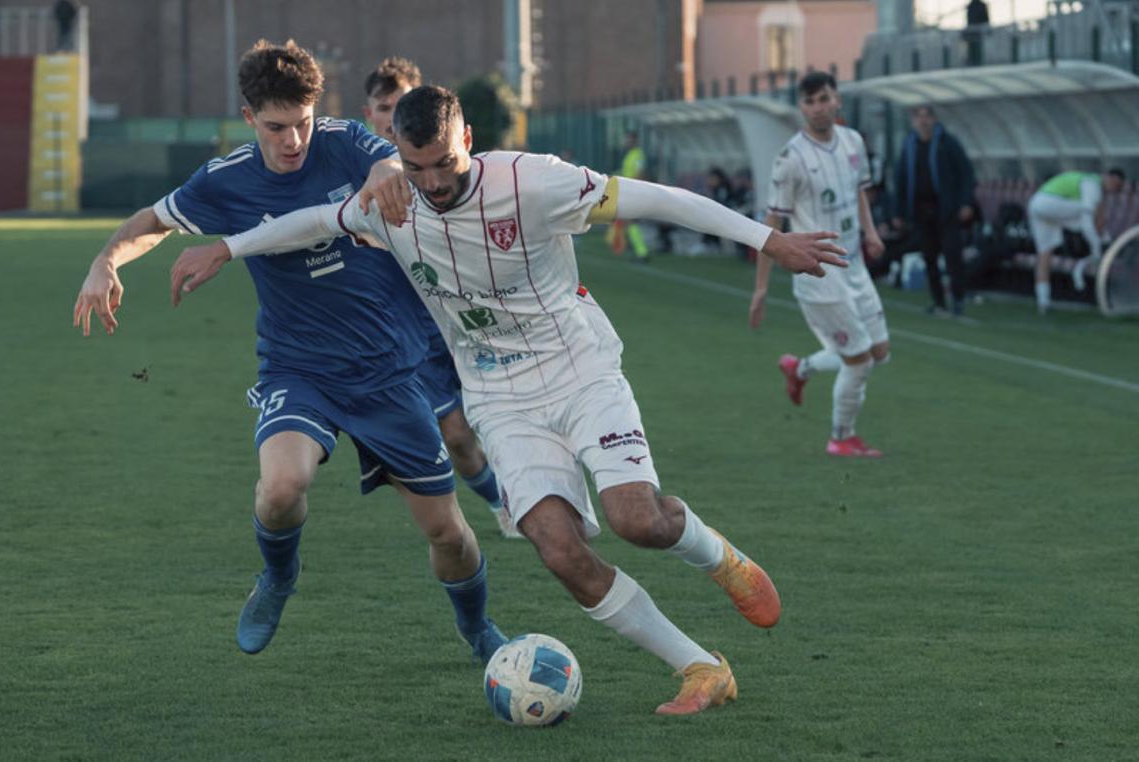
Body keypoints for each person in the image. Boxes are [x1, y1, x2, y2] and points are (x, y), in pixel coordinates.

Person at [171, 85, 848, 715]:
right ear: (397, 158)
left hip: (578, 369)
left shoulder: (533, 180)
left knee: (638, 521)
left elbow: (660, 199)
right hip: (498, 395)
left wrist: (770, 240)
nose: (433, 183)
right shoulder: (392, 201)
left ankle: (719, 558)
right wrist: (227, 250)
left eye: (446, 163)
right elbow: (316, 221)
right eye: (417, 167)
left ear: (467, 134)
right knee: (557, 549)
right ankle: (701, 667)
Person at [71, 42, 506, 662]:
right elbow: (153, 222)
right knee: (280, 488)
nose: (294, 139)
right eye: (277, 127)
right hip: (298, 368)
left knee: (447, 531)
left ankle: (479, 630)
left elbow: (386, 161)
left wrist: (386, 173)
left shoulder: (345, 141)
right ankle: (278, 576)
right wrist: (104, 260)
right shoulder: (227, 181)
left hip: (386, 371)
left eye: (302, 121)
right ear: (249, 118)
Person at [362, 56, 515, 538]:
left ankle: (537, 487)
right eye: (384, 106)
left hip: (467, 313)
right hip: (411, 329)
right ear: (369, 113)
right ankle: (502, 505)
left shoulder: (450, 167)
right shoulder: (362, 170)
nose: (392, 115)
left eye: (401, 104)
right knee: (456, 435)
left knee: (509, 415)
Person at [750, 71, 889, 458]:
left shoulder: (853, 141)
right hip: (819, 275)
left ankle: (801, 368)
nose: (818, 107)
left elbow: (859, 193)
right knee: (859, 362)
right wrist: (761, 288)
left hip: (855, 265)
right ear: (801, 107)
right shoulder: (790, 159)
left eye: (824, 98)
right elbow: (772, 226)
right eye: (810, 101)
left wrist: (871, 232)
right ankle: (841, 438)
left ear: (836, 100)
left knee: (880, 353)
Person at [893, 105, 976, 316]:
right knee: (929, 257)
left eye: (927, 116)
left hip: (947, 210)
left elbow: (966, 173)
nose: (923, 121)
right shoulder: (909, 145)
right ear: (913, 121)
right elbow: (901, 179)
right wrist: (898, 212)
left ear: (934, 119)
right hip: (921, 211)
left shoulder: (947, 143)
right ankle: (938, 301)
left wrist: (966, 203)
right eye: (919, 117)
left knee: (952, 255)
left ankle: (957, 298)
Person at [1027, 168, 1126, 314]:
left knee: (1044, 254)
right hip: (1049, 204)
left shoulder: (1085, 182)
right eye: (1115, 185)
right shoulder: (1092, 185)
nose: (1113, 189)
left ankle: (1043, 301)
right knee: (1092, 211)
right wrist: (1096, 248)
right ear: (1108, 177)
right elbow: (1087, 221)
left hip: (1036, 204)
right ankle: (1102, 245)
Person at [607, 130, 650, 261]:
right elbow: (628, 172)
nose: (627, 142)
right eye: (626, 139)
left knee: (630, 222)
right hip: (628, 190)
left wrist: (634, 189)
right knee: (628, 222)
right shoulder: (630, 155)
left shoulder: (638, 154)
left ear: (635, 141)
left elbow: (640, 173)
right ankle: (636, 249)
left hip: (633, 191)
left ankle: (642, 252)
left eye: (630, 139)